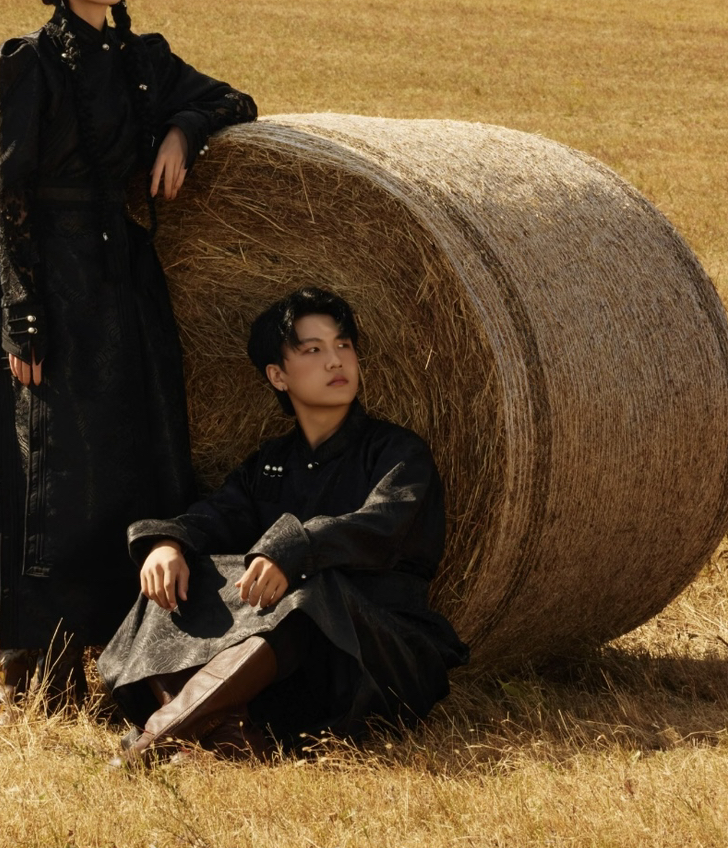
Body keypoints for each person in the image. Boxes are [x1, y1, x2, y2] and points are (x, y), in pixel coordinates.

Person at [0, 0, 257, 714]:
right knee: (46, 462)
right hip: (45, 274)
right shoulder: (24, 63)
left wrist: (182, 132)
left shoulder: (143, 60)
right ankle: (27, 665)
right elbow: (8, 191)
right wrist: (23, 316)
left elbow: (232, 99)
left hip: (123, 280)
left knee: (129, 456)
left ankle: (119, 646)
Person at [97, 285, 469, 761]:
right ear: (277, 375)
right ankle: (227, 730)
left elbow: (381, 526)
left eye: (343, 345)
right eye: (313, 350)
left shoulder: (399, 453)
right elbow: (219, 514)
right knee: (178, 579)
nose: (335, 361)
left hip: (375, 655)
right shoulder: (270, 463)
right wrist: (168, 542)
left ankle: (155, 740)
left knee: (309, 594)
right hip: (281, 672)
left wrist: (295, 550)